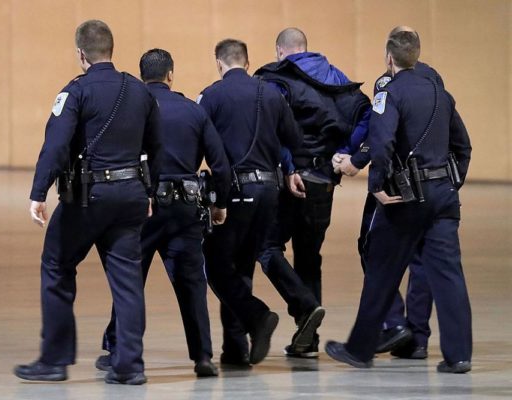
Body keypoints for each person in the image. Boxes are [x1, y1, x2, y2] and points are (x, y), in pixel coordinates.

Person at [13, 20, 161, 385]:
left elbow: (57, 145)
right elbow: (158, 146)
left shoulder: (76, 91)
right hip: (130, 197)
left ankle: (55, 359)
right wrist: (150, 192)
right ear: (111, 49)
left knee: (56, 265)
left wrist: (38, 192)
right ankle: (129, 366)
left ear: (81, 54)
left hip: (87, 198)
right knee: (126, 281)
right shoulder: (139, 91)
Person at [325, 29, 473, 374]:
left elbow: (382, 141)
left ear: (388, 58)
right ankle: (459, 356)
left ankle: (360, 350)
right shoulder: (441, 93)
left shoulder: (389, 93)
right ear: (417, 56)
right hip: (443, 196)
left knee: (380, 271)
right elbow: (462, 145)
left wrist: (377, 184)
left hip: (404, 198)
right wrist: (453, 183)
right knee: (449, 276)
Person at [94, 48, 232, 377]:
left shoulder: (132, 110)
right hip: (185, 209)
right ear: (171, 75)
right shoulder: (193, 111)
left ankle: (117, 350)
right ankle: (203, 357)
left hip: (142, 207)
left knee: (128, 281)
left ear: (141, 76)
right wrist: (220, 204)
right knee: (191, 284)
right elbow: (221, 164)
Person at [254, 28, 371, 357]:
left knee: (266, 248)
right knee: (309, 257)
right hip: (324, 180)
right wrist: (346, 151)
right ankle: (308, 342)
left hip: (291, 181)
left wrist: (289, 165)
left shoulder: (276, 78)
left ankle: (304, 307)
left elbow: (272, 126)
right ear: (306, 48)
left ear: (280, 51)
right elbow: (367, 113)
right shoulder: (336, 77)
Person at [197, 39, 304, 366]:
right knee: (241, 266)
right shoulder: (272, 93)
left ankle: (256, 316)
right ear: (247, 60)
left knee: (217, 267)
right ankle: (236, 349)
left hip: (233, 192)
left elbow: (196, 137)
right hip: (269, 192)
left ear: (219, 62)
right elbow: (295, 139)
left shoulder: (211, 95)